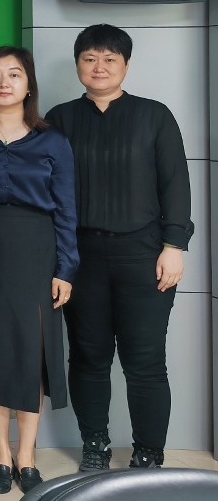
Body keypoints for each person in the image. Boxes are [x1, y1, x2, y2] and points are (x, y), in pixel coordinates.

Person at [45, 24, 192, 471]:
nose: (99, 67)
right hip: (81, 257)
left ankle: (149, 452)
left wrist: (174, 245)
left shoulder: (154, 116)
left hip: (144, 254)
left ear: (126, 65)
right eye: (90, 58)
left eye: (110, 59)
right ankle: (95, 446)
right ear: (78, 65)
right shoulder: (60, 119)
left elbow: (175, 184)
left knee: (144, 361)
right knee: (88, 356)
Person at [0, 47, 77, 494]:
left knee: (31, 354)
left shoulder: (52, 140)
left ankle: (27, 457)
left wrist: (66, 268)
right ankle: (1, 456)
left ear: (28, 85)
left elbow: (66, 209)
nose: (4, 83)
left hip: (37, 255)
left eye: (14, 74)